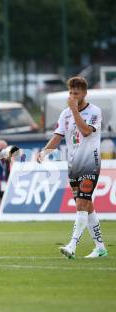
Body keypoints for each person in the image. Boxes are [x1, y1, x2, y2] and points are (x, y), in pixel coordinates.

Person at [37, 76, 108, 259]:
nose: (72, 96)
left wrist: (75, 110)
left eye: (76, 93)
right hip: (73, 164)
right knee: (86, 204)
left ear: (84, 93)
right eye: (70, 93)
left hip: (90, 163)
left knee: (82, 204)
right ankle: (100, 247)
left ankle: (72, 245)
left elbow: (85, 131)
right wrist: (45, 152)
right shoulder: (65, 114)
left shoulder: (94, 112)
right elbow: (58, 136)